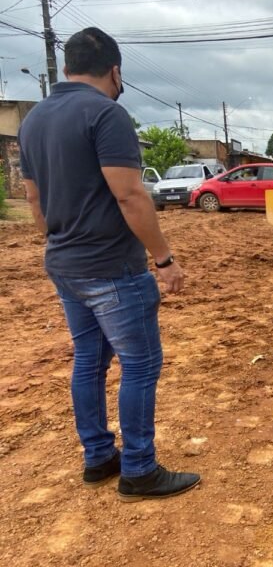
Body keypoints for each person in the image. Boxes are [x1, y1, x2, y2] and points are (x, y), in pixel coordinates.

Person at [18, 27, 201, 502]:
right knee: (141, 365)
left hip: (65, 265)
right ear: (115, 71)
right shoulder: (106, 113)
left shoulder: (33, 120)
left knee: (89, 361)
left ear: (67, 66)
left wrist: (60, 243)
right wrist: (164, 259)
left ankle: (98, 457)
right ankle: (139, 469)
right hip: (113, 268)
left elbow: (33, 198)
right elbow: (130, 195)